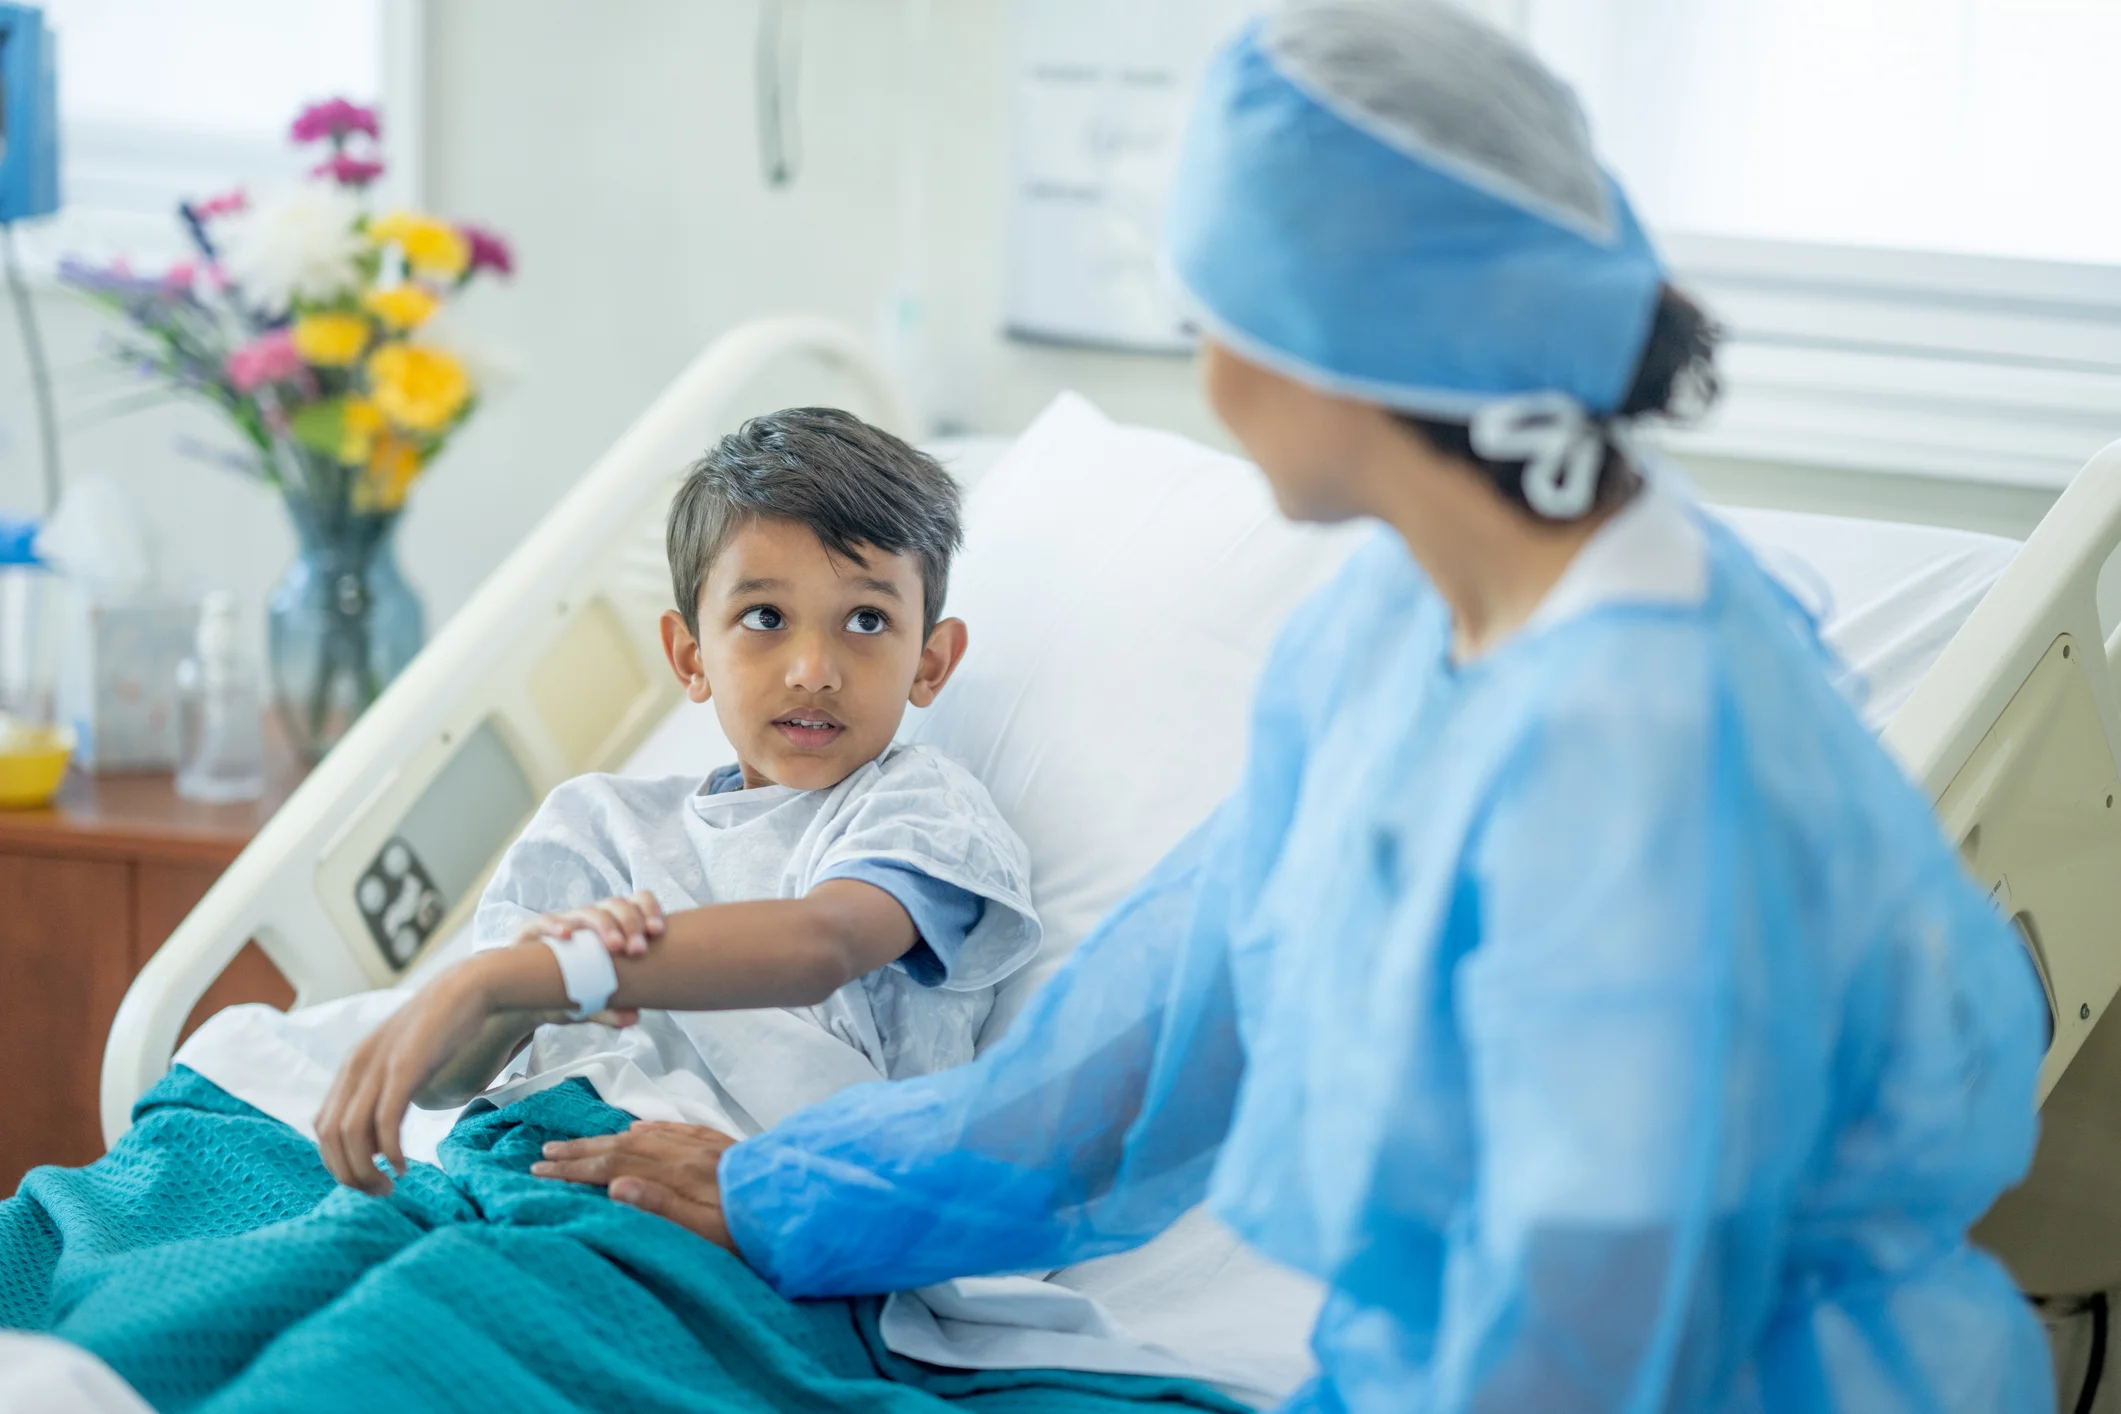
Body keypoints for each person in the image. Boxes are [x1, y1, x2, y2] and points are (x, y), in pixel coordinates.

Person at [530, 4, 2052, 1410]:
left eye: (1217, 322)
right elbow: (1145, 1061)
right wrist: (785, 1192)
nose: (1209, 373)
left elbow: (1597, 1316)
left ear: (1348, 350)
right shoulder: (1394, 636)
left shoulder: (1654, 743)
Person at [315, 407, 1040, 1194]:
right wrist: (512, 1002)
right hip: (521, 1169)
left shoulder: (921, 811)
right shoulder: (595, 829)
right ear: (689, 655)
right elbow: (447, 1083)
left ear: (929, 663)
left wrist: (543, 975)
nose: (812, 669)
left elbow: (820, 946)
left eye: (866, 620)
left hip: (744, 1211)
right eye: (764, 617)